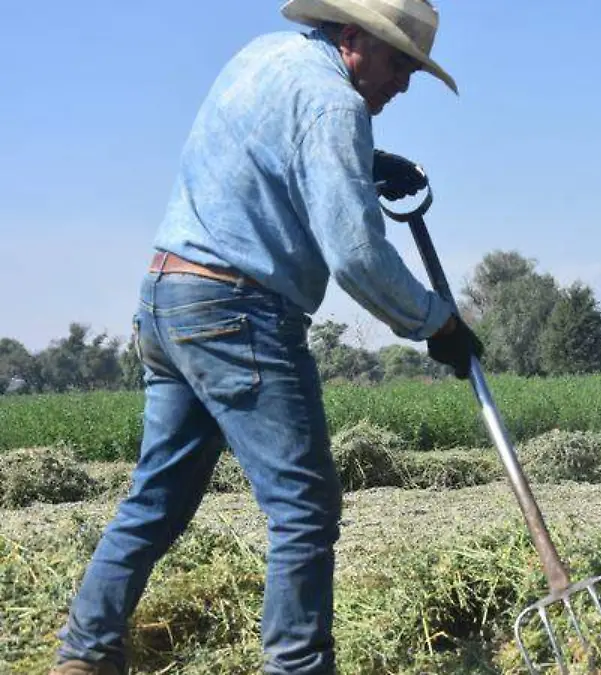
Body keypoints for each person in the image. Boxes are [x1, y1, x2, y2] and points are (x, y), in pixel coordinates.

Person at [49, 1, 481, 673]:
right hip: (238, 311)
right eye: (400, 64)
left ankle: (85, 652)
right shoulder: (334, 106)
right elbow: (357, 257)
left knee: (156, 498)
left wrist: (364, 162)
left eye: (413, 72)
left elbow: (260, 152)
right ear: (351, 37)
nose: (403, 84)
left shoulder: (262, 57)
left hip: (168, 297)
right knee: (304, 507)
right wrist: (437, 323)